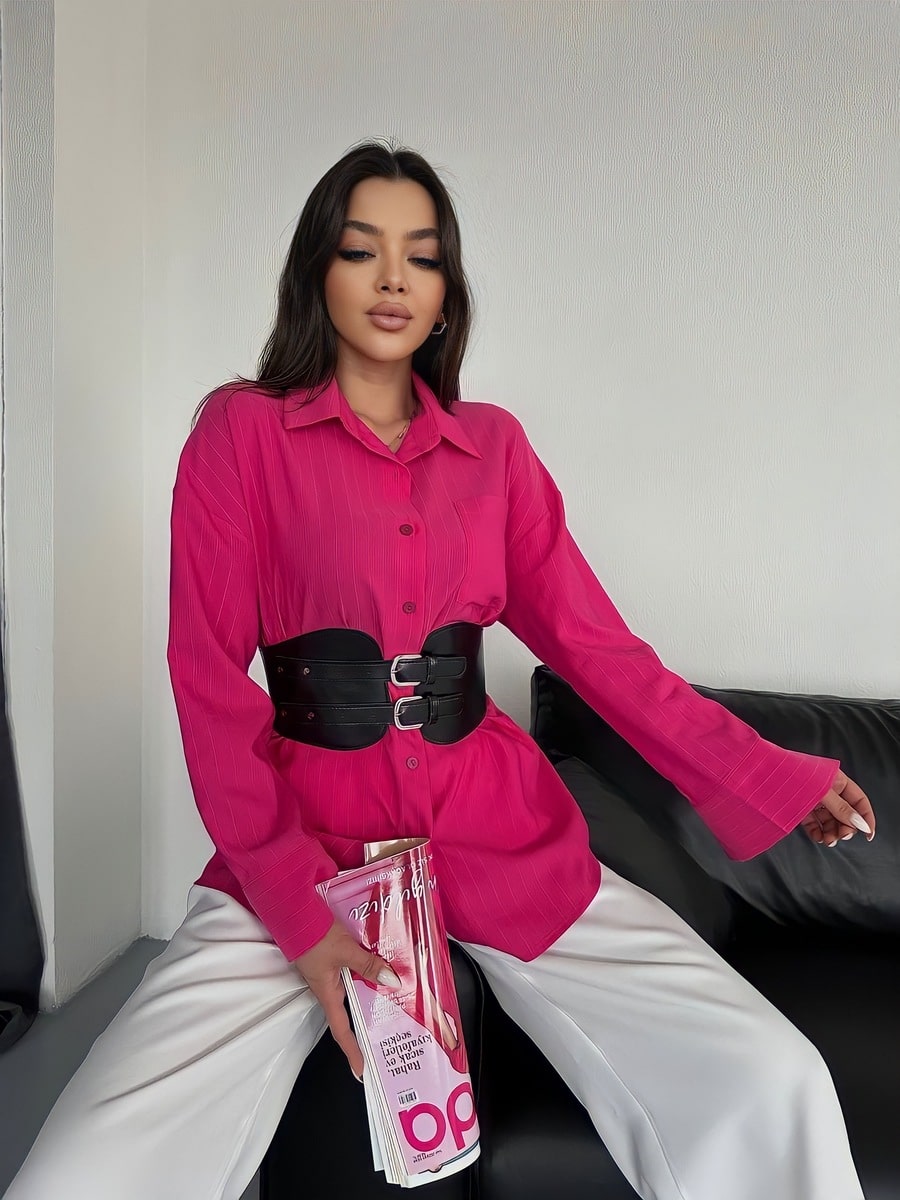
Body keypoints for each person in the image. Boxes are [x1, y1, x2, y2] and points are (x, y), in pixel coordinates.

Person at [7, 139, 874, 1200]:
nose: (392, 280)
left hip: (499, 834)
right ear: (316, 270)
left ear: (447, 289)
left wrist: (773, 774)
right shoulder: (241, 434)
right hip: (303, 847)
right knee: (88, 1163)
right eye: (360, 250)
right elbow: (206, 682)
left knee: (774, 1077)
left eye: (420, 257)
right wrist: (297, 914)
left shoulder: (494, 450)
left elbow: (600, 652)